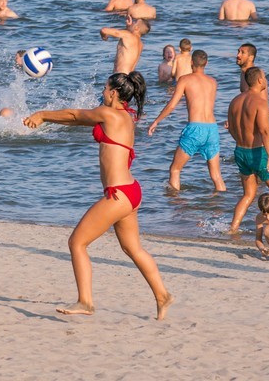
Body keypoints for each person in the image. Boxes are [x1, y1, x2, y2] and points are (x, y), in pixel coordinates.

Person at [23, 72, 173, 320]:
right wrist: (47, 120)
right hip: (130, 191)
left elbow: (74, 114)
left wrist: (42, 114)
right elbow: (77, 120)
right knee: (132, 248)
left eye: (105, 88)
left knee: (77, 243)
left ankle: (85, 301)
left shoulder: (109, 114)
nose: (102, 92)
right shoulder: (123, 116)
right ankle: (162, 295)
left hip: (118, 194)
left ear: (113, 93)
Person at [147, 50, 226, 192]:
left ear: (191, 63)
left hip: (196, 129)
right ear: (206, 63)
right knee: (216, 175)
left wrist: (156, 121)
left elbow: (172, 105)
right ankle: (222, 206)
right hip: (212, 129)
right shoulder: (213, 82)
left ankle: (175, 206)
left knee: (175, 170)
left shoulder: (185, 79)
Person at [227, 67, 269, 233]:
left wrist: (241, 143)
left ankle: (233, 228)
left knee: (248, 194)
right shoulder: (260, 102)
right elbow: (265, 132)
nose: (266, 80)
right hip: (258, 153)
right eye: (265, 77)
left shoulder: (235, 101)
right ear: (259, 80)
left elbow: (231, 128)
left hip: (240, 151)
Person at [236, 43, 269, 132]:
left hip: (262, 118)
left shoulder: (255, 74)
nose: (238, 55)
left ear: (251, 57)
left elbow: (259, 100)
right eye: (238, 52)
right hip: (252, 117)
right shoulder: (243, 73)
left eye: (242, 53)